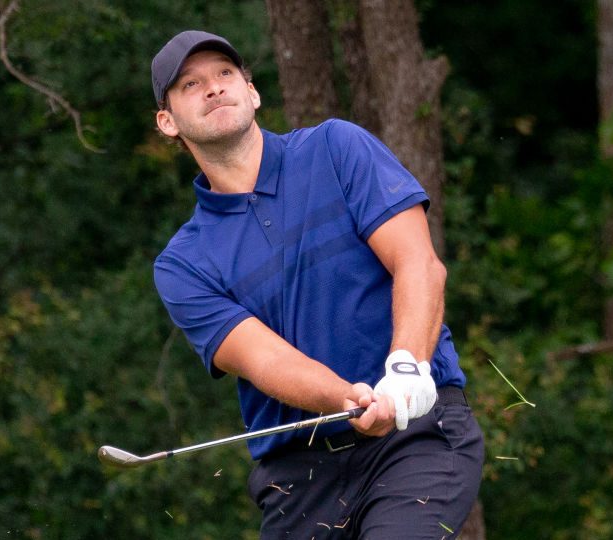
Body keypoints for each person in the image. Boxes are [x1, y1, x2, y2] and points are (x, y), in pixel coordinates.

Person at [150, 30, 484, 539]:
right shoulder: (183, 263)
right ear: (168, 122)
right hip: (298, 481)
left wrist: (405, 368)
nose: (214, 88)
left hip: (416, 435)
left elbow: (418, 263)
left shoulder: (336, 147)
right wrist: (348, 398)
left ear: (253, 91)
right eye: (191, 84)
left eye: (224, 73)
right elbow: (265, 360)